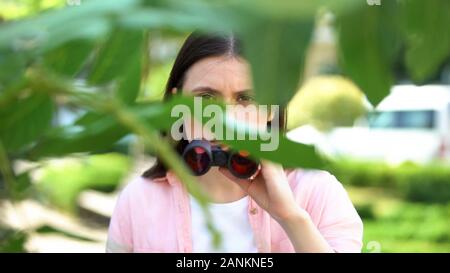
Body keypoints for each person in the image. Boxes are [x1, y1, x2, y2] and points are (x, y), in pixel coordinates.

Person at [106, 31, 363, 253]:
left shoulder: (319, 194)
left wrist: (290, 216)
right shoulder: (137, 201)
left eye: (246, 99)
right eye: (206, 98)